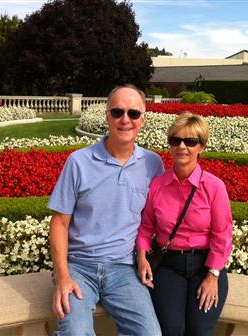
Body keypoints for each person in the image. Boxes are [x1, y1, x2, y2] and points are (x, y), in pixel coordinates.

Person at [48, 84, 164, 336]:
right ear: (107, 116)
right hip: (79, 267)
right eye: (117, 112)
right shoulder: (79, 162)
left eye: (133, 113)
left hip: (124, 269)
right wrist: (63, 275)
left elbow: (154, 220)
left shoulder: (153, 164)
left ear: (143, 119)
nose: (125, 120)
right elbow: (59, 223)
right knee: (75, 333)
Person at [136, 112, 233, 336]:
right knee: (170, 330)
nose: (182, 146)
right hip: (169, 265)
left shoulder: (214, 187)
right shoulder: (158, 185)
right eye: (175, 140)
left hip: (205, 265)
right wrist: (142, 257)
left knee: (199, 330)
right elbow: (146, 228)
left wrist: (212, 276)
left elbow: (223, 235)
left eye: (190, 141)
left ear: (201, 147)